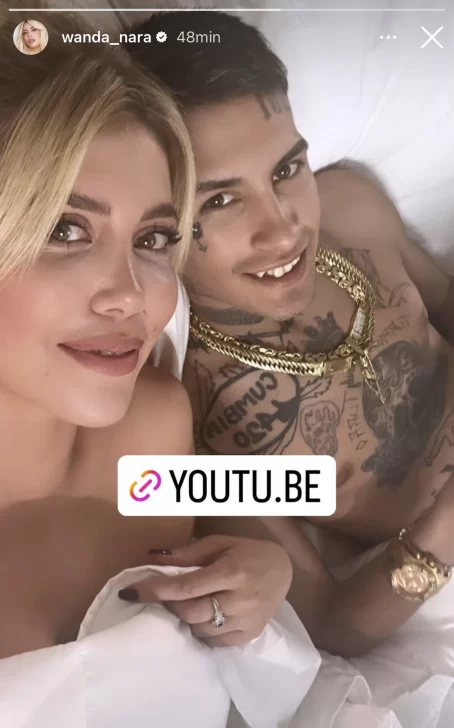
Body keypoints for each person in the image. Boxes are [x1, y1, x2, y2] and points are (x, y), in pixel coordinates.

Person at [126, 11, 454, 658]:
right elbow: (331, 623)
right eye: (220, 201)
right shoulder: (192, 415)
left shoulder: (352, 206)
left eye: (285, 169)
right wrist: (445, 529)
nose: (282, 230)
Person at [0, 12, 291, 660]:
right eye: (65, 230)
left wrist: (272, 570)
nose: (132, 296)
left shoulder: (156, 424)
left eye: (153, 238)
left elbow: (281, 500)